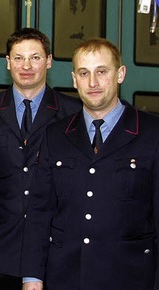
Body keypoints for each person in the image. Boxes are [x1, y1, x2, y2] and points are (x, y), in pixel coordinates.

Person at [21, 38, 159, 290]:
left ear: (121, 74)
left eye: (102, 72)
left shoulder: (152, 133)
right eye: (84, 73)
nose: (92, 83)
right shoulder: (56, 135)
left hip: (131, 278)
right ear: (74, 80)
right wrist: (32, 278)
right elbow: (39, 212)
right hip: (65, 277)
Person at [0, 28, 80, 290]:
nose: (27, 66)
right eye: (18, 58)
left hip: (55, 251)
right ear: (8, 63)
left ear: (49, 61)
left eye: (35, 57)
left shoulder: (74, 115)